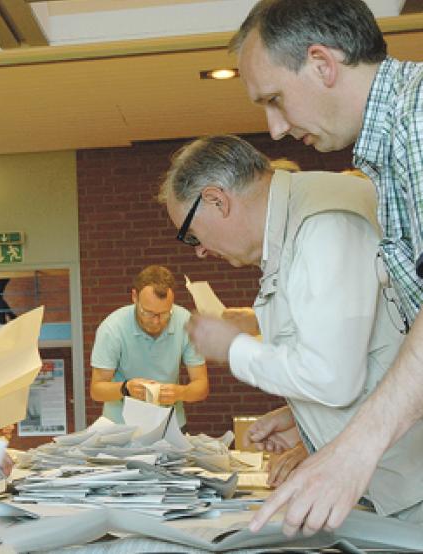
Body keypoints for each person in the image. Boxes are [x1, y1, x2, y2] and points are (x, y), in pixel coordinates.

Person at [230, 0, 423, 535]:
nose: (273, 129)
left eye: (275, 99)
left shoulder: (418, 120)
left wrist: (353, 450)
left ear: (321, 63)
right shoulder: (392, 140)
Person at [162, 133, 423, 528]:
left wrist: (233, 348)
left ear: (217, 200)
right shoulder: (299, 224)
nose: (198, 250)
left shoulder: (323, 223)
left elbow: (331, 377)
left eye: (191, 234)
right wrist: (303, 418)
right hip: (393, 482)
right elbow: (367, 353)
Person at [88, 265, 209, 427]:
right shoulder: (112, 328)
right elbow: (97, 390)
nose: (156, 321)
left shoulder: (186, 323)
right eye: (148, 312)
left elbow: (201, 386)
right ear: (134, 297)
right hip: (120, 427)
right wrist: (126, 388)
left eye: (165, 313)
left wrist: (181, 392)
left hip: (170, 425)